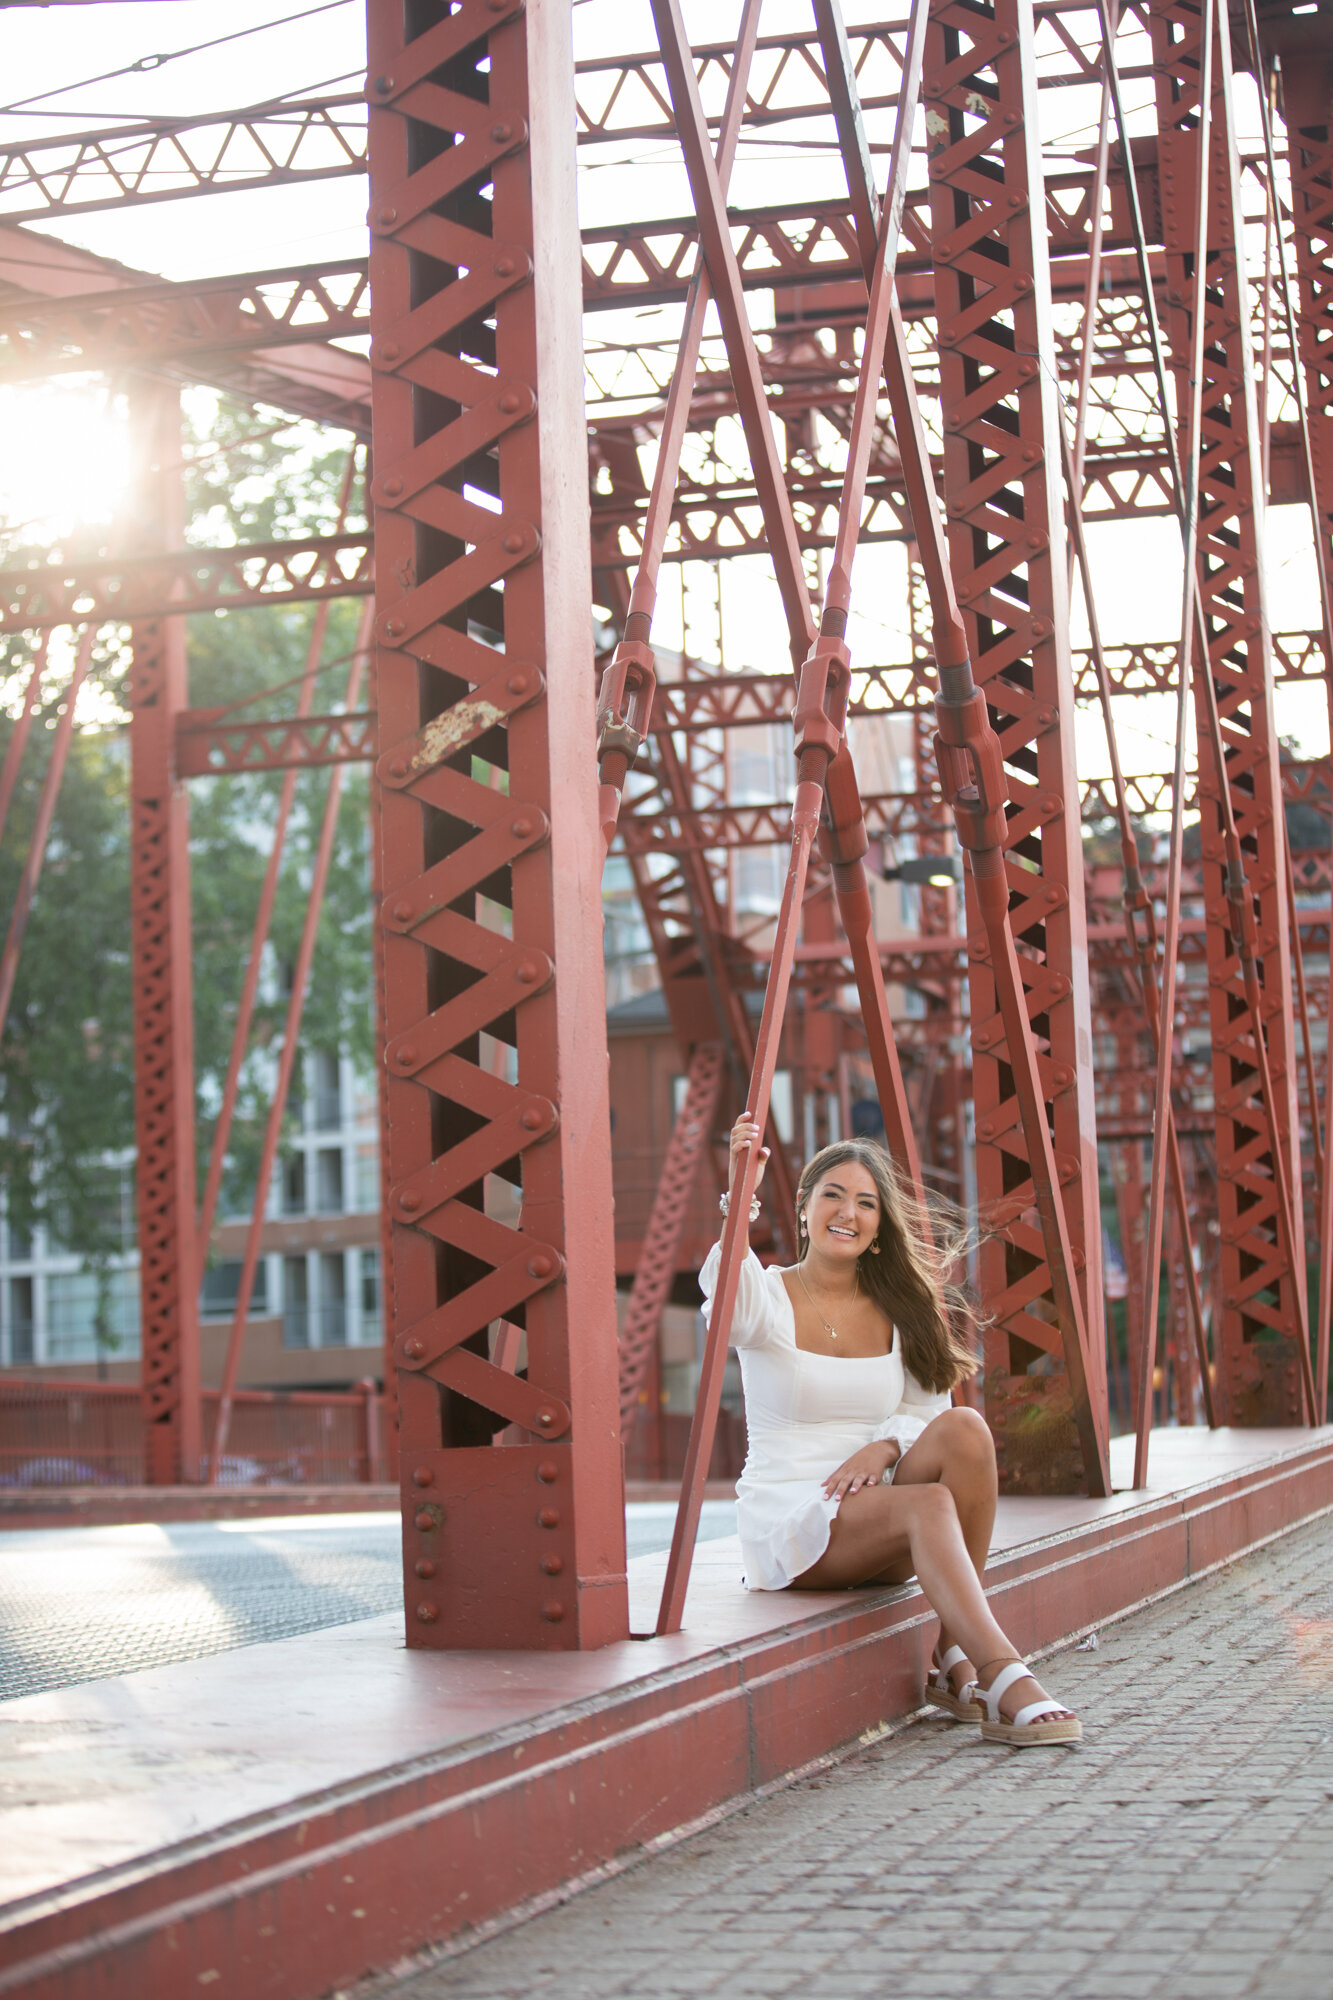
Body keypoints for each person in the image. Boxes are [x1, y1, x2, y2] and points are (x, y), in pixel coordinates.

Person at [700, 1115, 1081, 1747]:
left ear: (879, 1227)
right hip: (794, 1520)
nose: (848, 1211)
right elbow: (728, 1308)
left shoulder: (899, 1311)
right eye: (832, 1194)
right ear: (803, 1210)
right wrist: (740, 1191)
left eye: (866, 1202)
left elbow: (931, 1416)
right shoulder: (766, 1299)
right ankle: (1000, 1674)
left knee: (968, 1428)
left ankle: (954, 1655)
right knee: (928, 1502)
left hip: (881, 1511)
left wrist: (885, 1445)